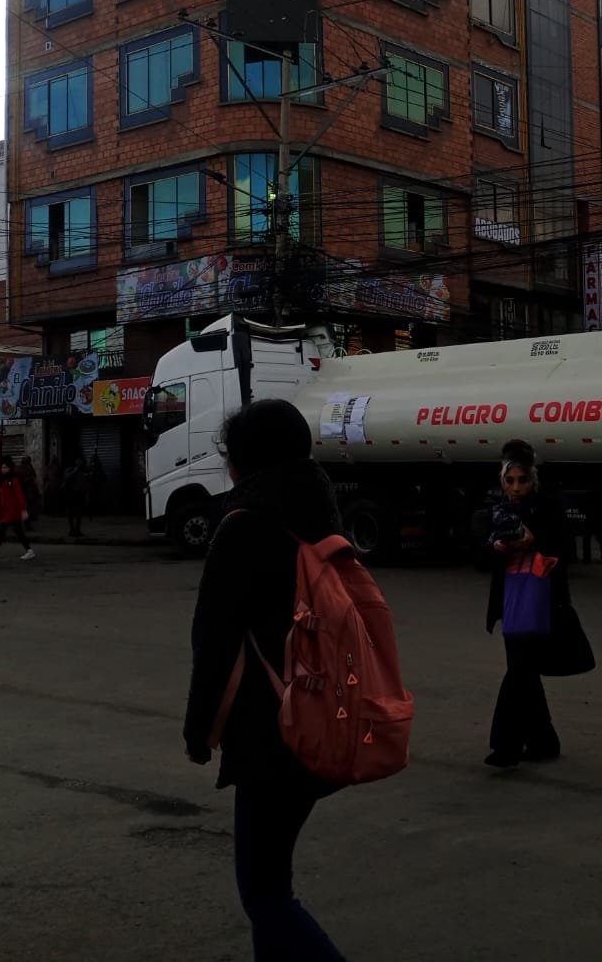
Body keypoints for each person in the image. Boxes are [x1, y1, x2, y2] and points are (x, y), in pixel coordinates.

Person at [182, 398, 346, 962]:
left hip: (270, 730)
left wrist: (198, 733)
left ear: (244, 460)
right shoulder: (320, 512)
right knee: (271, 883)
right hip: (321, 714)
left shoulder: (244, 525)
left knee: (266, 894)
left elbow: (214, 644)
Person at [484, 440, 580, 769]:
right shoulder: (497, 512)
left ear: (534, 480)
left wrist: (533, 540)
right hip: (512, 601)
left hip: (541, 600)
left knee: (519, 671)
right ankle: (543, 740)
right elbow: (480, 557)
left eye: (522, 480)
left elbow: (565, 548)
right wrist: (496, 547)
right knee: (524, 671)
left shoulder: (548, 507)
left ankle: (505, 745)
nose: (516, 488)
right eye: (509, 481)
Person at [0, 456, 36, 562]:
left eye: (5, 467)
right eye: (2, 467)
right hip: (7, 511)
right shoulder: (2, 481)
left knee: (2, 531)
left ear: (10, 468)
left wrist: (23, 510)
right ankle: (29, 551)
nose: (3, 469)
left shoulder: (13, 480)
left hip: (12, 512)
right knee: (18, 532)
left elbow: (19, 495)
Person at [62, 455, 89, 538]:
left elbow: (85, 482)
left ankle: (77, 530)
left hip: (80, 494)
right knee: (70, 512)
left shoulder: (83, 470)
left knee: (79, 512)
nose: (79, 462)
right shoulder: (69, 469)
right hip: (71, 494)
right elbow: (67, 477)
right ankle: (71, 530)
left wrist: (86, 493)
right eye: (78, 460)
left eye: (80, 460)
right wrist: (75, 471)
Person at [18, 456, 41, 529]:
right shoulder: (27, 468)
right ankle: (26, 524)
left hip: (24, 490)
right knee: (27, 508)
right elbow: (33, 477)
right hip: (26, 490)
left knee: (25, 508)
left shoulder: (20, 468)